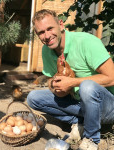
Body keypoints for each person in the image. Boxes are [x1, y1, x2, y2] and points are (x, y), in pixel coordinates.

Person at [27, 9, 114, 150]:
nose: (47, 36)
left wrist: (72, 83)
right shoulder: (47, 50)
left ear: (61, 25)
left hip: (108, 106)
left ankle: (92, 139)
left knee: (87, 86)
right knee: (33, 98)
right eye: (41, 32)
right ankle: (78, 122)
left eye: (50, 28)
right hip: (81, 103)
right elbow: (50, 79)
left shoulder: (86, 42)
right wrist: (54, 86)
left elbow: (112, 78)